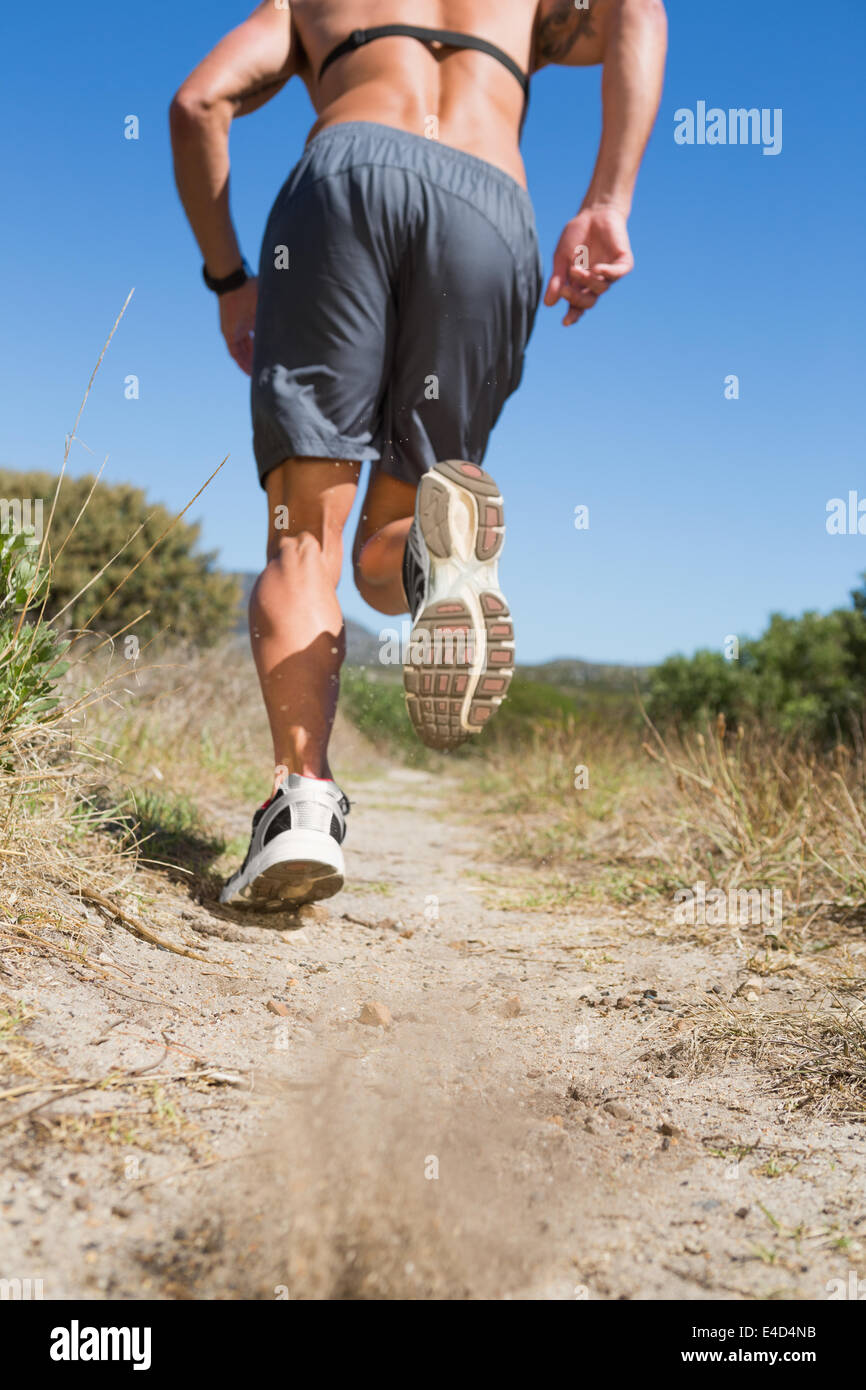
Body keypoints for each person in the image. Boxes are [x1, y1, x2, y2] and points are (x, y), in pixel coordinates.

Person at [169, 0, 667, 908]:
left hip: (346, 182)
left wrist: (228, 278)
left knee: (305, 544)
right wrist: (608, 199)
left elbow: (198, 103)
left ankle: (303, 803)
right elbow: (640, 9)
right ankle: (444, 557)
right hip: (488, 202)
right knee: (384, 548)